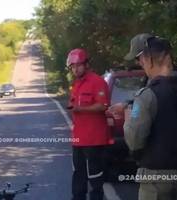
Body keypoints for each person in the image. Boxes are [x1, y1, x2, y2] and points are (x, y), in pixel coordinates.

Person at [108, 34, 177, 200]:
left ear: (148, 59)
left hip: (156, 181)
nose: (140, 64)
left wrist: (128, 115)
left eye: (139, 59)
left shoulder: (146, 96)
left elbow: (134, 140)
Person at [66, 48, 111, 200]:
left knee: (95, 174)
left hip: (94, 139)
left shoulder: (97, 82)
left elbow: (103, 105)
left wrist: (80, 108)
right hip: (78, 139)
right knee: (78, 173)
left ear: (86, 64)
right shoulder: (76, 84)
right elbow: (73, 104)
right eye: (72, 66)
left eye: (78, 65)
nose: (75, 69)